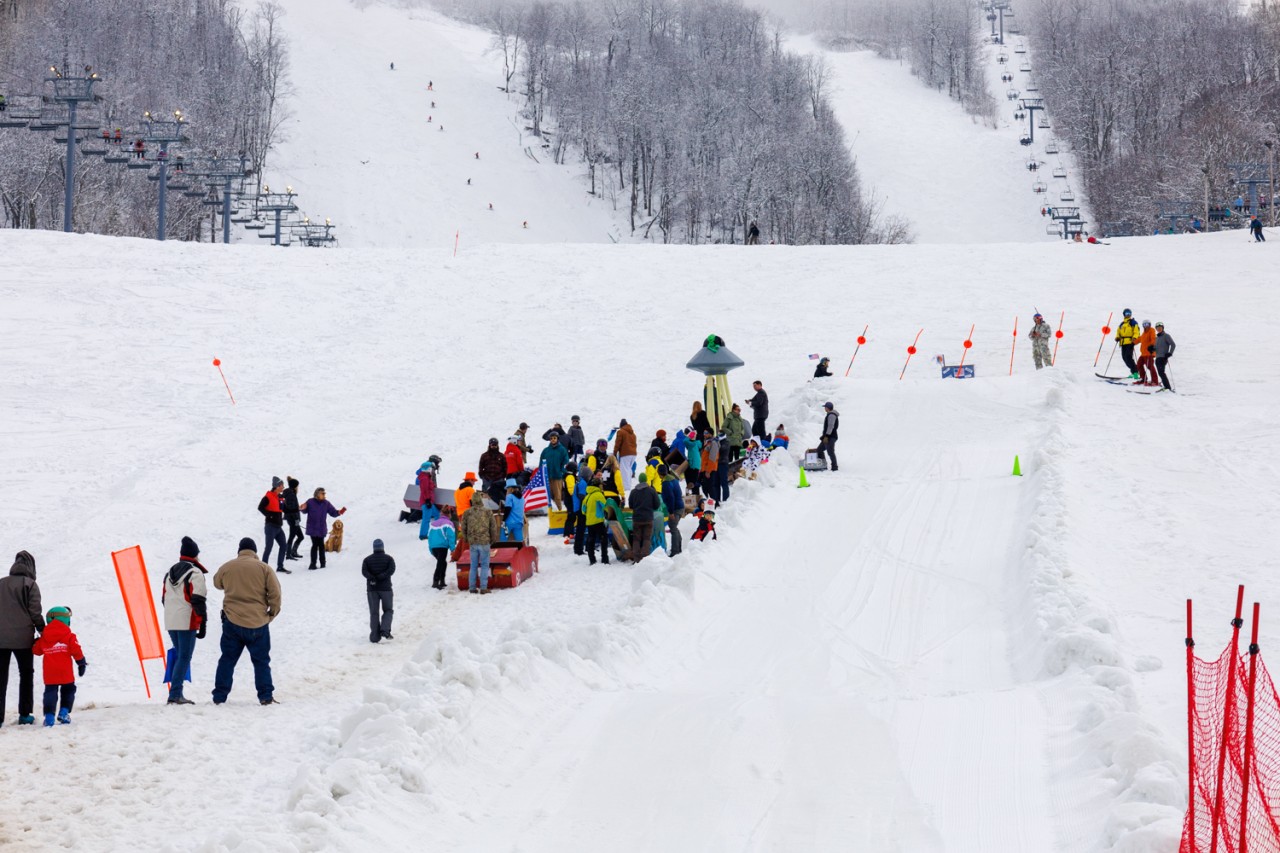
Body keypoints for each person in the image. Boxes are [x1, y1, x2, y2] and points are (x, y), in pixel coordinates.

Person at [212, 538, 282, 706]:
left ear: (239, 550)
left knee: (227, 660)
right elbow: (275, 594)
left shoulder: (228, 566)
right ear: (255, 552)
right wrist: (271, 615)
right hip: (258, 622)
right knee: (261, 661)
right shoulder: (264, 568)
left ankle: (219, 697)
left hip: (232, 621)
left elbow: (217, 583)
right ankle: (265, 696)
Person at [161, 537, 207, 705]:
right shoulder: (194, 573)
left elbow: (164, 598)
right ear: (194, 555)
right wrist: (203, 623)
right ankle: (175, 694)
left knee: (181, 655)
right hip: (186, 620)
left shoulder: (170, 572)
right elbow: (198, 599)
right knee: (184, 656)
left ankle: (175, 692)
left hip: (171, 620)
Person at [0, 551, 44, 725]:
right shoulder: (30, 584)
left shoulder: (1, 583)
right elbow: (35, 611)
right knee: (26, 674)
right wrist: (42, 629)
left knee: (0, 676)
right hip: (23, 639)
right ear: (31, 567)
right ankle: (25, 714)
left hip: (1, 639)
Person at [32, 607, 85, 726]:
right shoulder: (69, 636)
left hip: (50, 673)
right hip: (65, 672)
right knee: (69, 690)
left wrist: (35, 642)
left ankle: (49, 717)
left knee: (50, 693)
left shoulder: (44, 637)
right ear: (65, 620)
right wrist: (81, 662)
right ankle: (64, 712)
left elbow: (37, 651)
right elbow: (76, 650)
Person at [460, 493, 500, 592]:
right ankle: (483, 587)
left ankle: (472, 587)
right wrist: (493, 539)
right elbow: (493, 527)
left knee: (473, 565)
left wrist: (466, 539)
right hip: (485, 541)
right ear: (481, 500)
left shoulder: (467, 512)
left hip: (473, 542)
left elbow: (463, 527)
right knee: (484, 565)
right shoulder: (487, 512)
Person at [299, 488, 346, 570]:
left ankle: (323, 564)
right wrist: (302, 508)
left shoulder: (326, 503)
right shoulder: (310, 501)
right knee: (315, 545)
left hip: (321, 528)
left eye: (324, 493)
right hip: (312, 528)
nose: (324, 495)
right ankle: (312, 564)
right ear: (317, 494)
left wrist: (339, 512)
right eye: (323, 493)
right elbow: (304, 510)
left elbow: (333, 512)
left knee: (321, 545)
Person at [362, 540, 396, 642]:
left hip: (372, 589)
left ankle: (374, 637)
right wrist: (382, 576)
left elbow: (364, 571)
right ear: (382, 547)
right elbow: (392, 570)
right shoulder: (389, 559)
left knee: (374, 613)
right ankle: (385, 630)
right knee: (388, 610)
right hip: (386, 589)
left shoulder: (367, 560)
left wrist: (372, 578)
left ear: (374, 548)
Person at [627, 473, 663, 563]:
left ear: (639, 480)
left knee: (636, 539)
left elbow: (630, 505)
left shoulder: (633, 492)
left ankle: (636, 558)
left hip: (637, 519)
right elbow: (657, 505)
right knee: (647, 538)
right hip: (648, 518)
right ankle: (644, 558)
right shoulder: (651, 491)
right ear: (646, 479)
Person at [258, 477, 291, 574]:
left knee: (283, 546)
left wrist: (297, 510)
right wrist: (270, 515)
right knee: (269, 547)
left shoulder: (280, 497)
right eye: (282, 485)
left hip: (278, 527)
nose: (283, 487)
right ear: (277, 486)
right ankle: (263, 569)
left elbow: (285, 509)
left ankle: (280, 567)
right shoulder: (268, 496)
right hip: (270, 527)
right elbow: (260, 507)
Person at [582, 475, 610, 566]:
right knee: (603, 540)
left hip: (589, 522)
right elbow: (605, 507)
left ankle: (592, 560)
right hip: (599, 521)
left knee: (591, 541)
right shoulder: (599, 495)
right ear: (598, 486)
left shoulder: (587, 496)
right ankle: (604, 559)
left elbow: (583, 511)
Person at [424, 515, 457, 589]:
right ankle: (435, 582)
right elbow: (451, 536)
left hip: (433, 546)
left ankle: (442, 581)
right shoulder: (448, 523)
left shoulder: (433, 523)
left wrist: (431, 549)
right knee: (440, 563)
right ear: (449, 515)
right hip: (442, 546)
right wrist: (452, 549)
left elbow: (429, 536)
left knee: (443, 563)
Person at [539, 432, 570, 509]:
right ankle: (548, 511)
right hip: (547, 476)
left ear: (557, 439)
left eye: (554, 438)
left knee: (557, 495)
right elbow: (541, 462)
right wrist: (541, 473)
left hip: (557, 476)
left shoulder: (562, 450)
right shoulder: (545, 450)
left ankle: (559, 510)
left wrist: (561, 471)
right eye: (551, 438)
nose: (553, 440)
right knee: (547, 495)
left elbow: (566, 462)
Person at [659, 464, 684, 556]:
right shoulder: (673, 479)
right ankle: (678, 548)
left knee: (673, 528)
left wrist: (671, 512)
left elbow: (670, 498)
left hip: (675, 509)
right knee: (675, 528)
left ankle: (675, 551)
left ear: (659, 474)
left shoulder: (666, 483)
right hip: (680, 506)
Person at [479, 437, 508, 504]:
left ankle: (501, 508)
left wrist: (503, 476)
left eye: (495, 444)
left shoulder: (502, 456)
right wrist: (483, 476)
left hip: (499, 479)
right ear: (489, 445)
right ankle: (486, 509)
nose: (494, 446)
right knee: (486, 495)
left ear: (497, 445)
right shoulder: (484, 455)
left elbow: (505, 467)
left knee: (500, 494)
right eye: (492, 444)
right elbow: (481, 467)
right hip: (487, 479)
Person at [1115, 309, 1140, 380]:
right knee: (1124, 358)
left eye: (1129, 313)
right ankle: (1134, 371)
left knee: (1128, 357)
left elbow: (1136, 331)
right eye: (1126, 313)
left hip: (1130, 342)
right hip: (1123, 343)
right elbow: (1118, 331)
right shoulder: (1122, 324)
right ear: (1124, 314)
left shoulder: (1133, 322)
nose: (1128, 314)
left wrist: (1134, 338)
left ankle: (1135, 372)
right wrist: (1117, 337)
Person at [283, 477, 304, 561]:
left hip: (291, 518)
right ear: (295, 486)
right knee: (292, 536)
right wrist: (296, 519)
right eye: (297, 486)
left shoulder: (289, 493)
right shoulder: (291, 495)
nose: (298, 487)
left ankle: (292, 552)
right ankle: (288, 554)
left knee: (300, 536)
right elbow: (292, 509)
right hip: (292, 519)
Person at [614, 419, 638, 491]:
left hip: (625, 453)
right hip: (633, 454)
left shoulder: (621, 431)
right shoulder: (633, 433)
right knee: (629, 469)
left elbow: (618, 443)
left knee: (624, 470)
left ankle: (626, 487)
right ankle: (629, 485)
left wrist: (615, 452)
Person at [417, 456, 441, 521]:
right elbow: (425, 490)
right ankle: (432, 530)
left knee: (435, 515)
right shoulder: (425, 478)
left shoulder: (426, 476)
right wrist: (427, 500)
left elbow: (430, 486)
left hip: (428, 500)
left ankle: (436, 528)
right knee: (426, 519)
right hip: (426, 501)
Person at [1154, 322, 1176, 391]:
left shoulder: (1166, 336)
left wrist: (1170, 353)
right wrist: (1152, 349)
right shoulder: (1157, 338)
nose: (1159, 329)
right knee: (1160, 373)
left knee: (1161, 372)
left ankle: (1167, 387)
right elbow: (1155, 348)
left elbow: (1173, 344)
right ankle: (1166, 387)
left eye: (1160, 328)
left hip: (1163, 357)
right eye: (1157, 328)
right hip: (1157, 357)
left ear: (1163, 328)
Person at [819, 402, 840, 471]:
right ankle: (822, 465)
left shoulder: (831, 415)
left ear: (827, 408)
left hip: (831, 437)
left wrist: (827, 436)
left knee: (830, 451)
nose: (824, 408)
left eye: (825, 407)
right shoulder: (830, 414)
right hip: (827, 436)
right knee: (819, 450)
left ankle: (834, 467)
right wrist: (824, 436)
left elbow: (831, 426)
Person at [1136, 321, 1158, 386]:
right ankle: (1143, 379)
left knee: (1150, 366)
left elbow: (1153, 339)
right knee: (1139, 364)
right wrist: (1132, 343)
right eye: (1144, 324)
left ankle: (1155, 381)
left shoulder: (1152, 330)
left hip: (1149, 353)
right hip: (1143, 354)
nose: (1146, 325)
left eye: (1147, 324)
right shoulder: (1144, 333)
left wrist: (1152, 345)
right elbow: (1140, 339)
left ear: (1150, 324)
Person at [700, 431, 720, 499]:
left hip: (710, 469)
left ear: (710, 434)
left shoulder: (713, 443)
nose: (704, 435)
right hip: (704, 468)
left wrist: (708, 471)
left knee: (710, 487)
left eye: (706, 433)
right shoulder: (707, 442)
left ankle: (714, 502)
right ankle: (710, 501)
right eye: (704, 433)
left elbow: (712, 458)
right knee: (705, 486)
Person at [684, 428, 703, 497]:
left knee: (692, 483)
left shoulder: (691, 444)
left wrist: (688, 435)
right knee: (695, 483)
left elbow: (685, 441)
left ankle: (695, 497)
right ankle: (696, 496)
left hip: (693, 465)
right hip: (697, 465)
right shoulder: (697, 443)